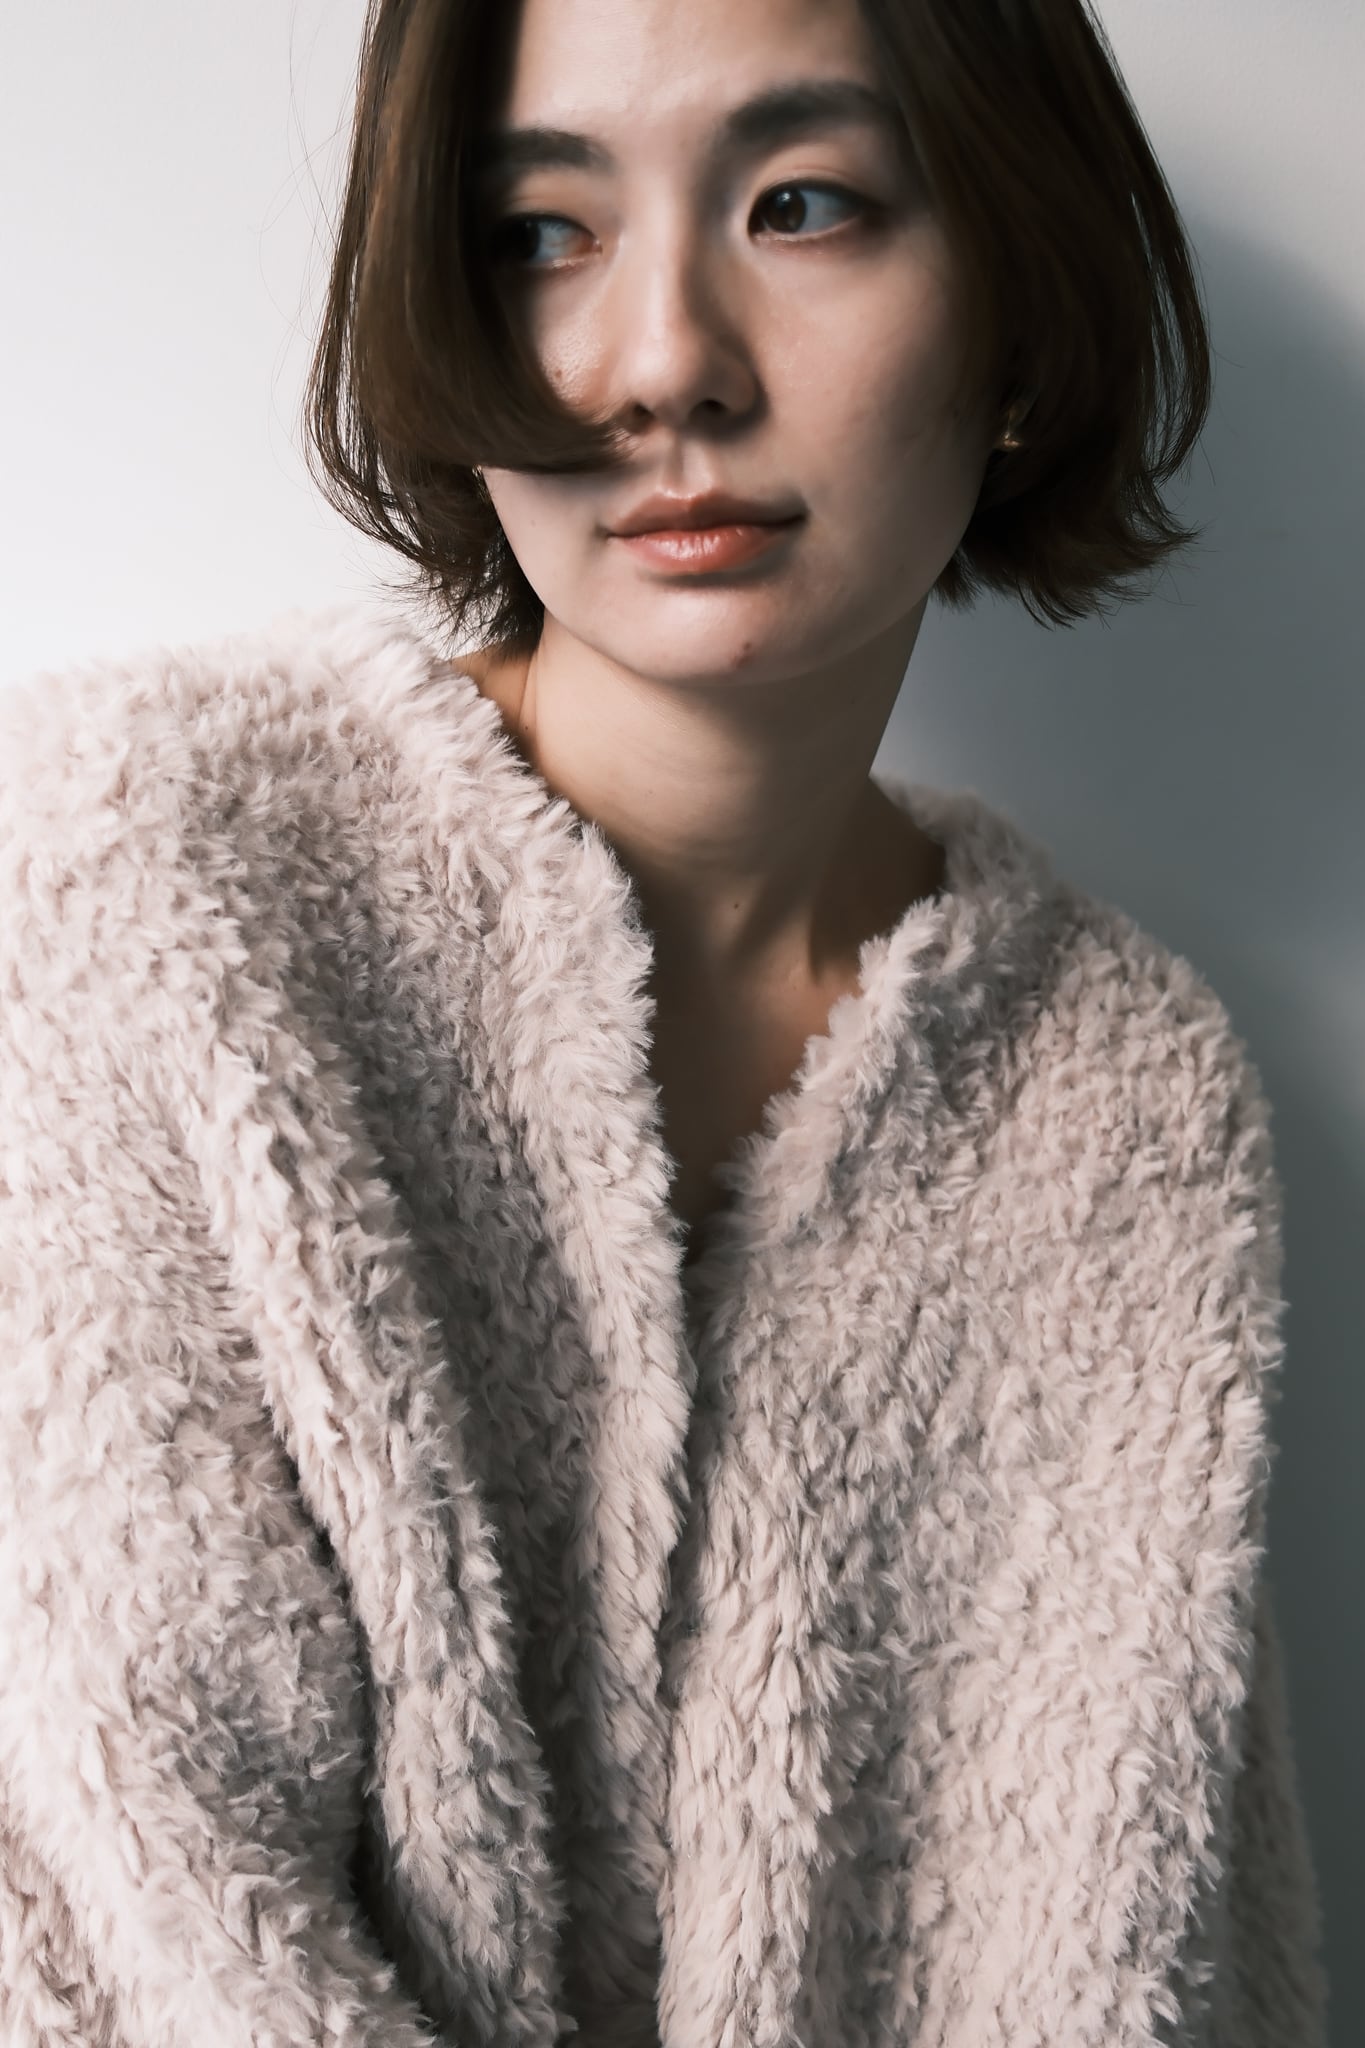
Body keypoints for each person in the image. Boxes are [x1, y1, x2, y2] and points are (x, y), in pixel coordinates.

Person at [0, 0, 1330, 2043]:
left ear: (1014, 301)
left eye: (801, 205)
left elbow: (1157, 1945)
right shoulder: (132, 883)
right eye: (539, 232)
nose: (661, 366)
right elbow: (128, 1900)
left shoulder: (1119, 1095)